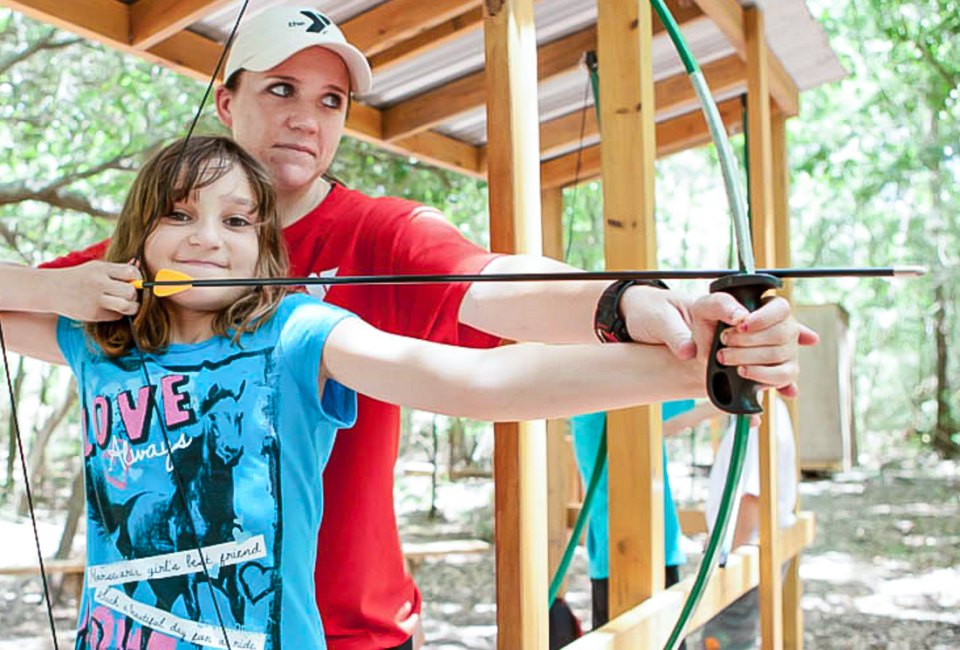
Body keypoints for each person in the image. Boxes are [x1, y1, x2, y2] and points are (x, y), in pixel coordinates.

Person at [0, 7, 814, 648]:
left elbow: (490, 311)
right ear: (226, 99)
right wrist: (56, 285)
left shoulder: (331, 289)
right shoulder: (139, 277)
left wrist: (654, 319)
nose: (305, 120)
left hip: (342, 629)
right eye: (280, 89)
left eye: (331, 101)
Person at [568, 400, 718, 639]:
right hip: (635, 548)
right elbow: (679, 411)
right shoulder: (615, 400)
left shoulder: (599, 399)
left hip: (634, 546)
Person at [698, 396, 798, 650]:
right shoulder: (765, 409)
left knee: (726, 638)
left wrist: (724, 559)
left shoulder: (758, 417)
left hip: (746, 548)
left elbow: (752, 498)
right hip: (751, 545)